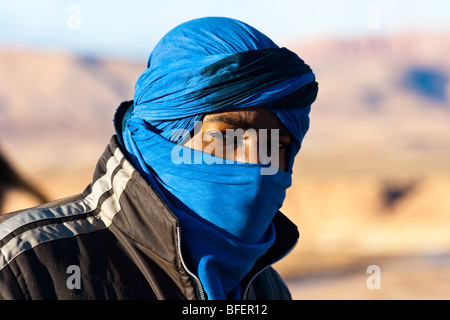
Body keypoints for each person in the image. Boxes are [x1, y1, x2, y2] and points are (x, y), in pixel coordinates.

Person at [0, 17, 318, 300]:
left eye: (276, 144)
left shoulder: (267, 289)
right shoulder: (24, 267)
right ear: (160, 136)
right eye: (227, 136)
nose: (256, 161)